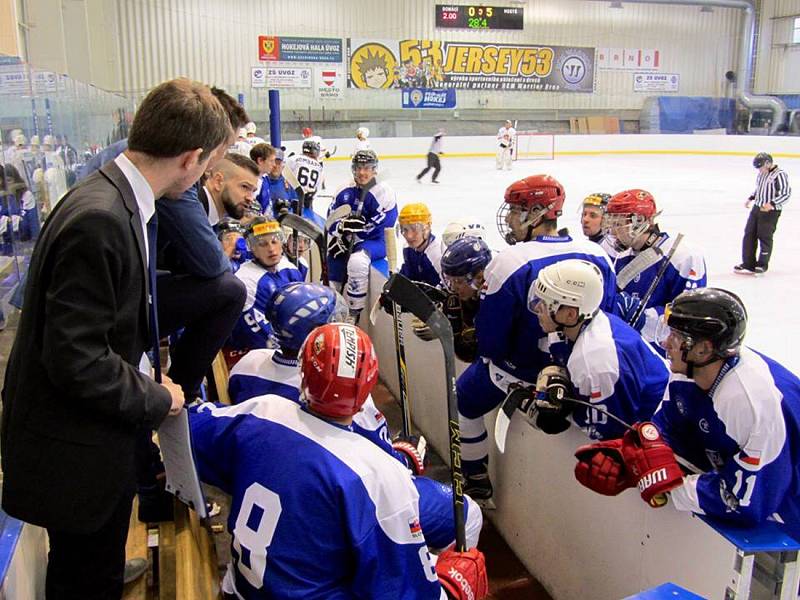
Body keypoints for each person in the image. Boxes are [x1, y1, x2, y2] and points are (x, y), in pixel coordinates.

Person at [1, 78, 227, 599]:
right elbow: (76, 360)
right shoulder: (101, 219)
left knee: (89, 560)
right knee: (84, 578)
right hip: (72, 455)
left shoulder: (112, 196)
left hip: (84, 444)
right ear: (192, 159)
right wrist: (158, 395)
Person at [190, 322, 488, 599]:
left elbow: (190, 426)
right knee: (460, 570)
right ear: (369, 383)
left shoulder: (260, 411)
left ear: (303, 371)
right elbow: (402, 591)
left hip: (239, 590)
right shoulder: (376, 475)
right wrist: (451, 588)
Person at [574, 288, 800, 534]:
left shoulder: (751, 402)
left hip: (788, 510)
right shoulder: (690, 371)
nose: (664, 343)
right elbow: (664, 433)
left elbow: (743, 502)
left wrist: (663, 483)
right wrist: (624, 457)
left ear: (703, 349)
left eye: (675, 336)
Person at [458, 175, 618, 500]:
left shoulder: (510, 261)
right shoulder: (597, 254)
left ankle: (475, 479)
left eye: (517, 211)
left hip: (520, 375)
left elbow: (490, 342)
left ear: (536, 213)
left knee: (462, 400)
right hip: (580, 375)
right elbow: (611, 319)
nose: (511, 218)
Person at [527, 259, 668, 440]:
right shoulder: (573, 327)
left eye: (545, 303)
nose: (538, 308)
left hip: (658, 433)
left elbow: (612, 435)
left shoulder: (597, 361)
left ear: (570, 314)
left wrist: (563, 413)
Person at [603, 189, 706, 342]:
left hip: (666, 351)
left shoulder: (683, 255)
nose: (612, 231)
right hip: (627, 343)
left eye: (618, 224)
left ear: (640, 221)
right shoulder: (618, 254)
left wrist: (644, 317)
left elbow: (691, 314)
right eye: (611, 224)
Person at [327, 149, 397, 322]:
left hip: (376, 241)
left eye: (367, 168)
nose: (362, 172)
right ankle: (331, 312)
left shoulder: (383, 193)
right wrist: (341, 230)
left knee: (358, 262)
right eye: (358, 168)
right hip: (349, 240)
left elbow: (385, 225)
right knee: (332, 258)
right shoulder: (344, 190)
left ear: (375, 170)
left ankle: (353, 315)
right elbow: (330, 221)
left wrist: (354, 235)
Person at [227, 218, 305, 356]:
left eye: (275, 241)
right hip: (248, 351)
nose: (271, 249)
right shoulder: (244, 280)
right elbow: (263, 339)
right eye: (262, 244)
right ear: (252, 248)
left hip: (286, 341)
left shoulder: (290, 269)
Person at [735, 152, 791, 275]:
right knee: (749, 234)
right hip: (757, 208)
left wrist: (772, 204)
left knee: (764, 236)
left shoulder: (779, 175)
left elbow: (786, 194)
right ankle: (748, 263)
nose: (759, 170)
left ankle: (762, 264)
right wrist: (751, 197)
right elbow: (759, 188)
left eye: (761, 167)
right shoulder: (761, 174)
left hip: (771, 211)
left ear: (768, 163)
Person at [398, 202, 444, 288]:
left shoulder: (437, 254)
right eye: (405, 229)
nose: (409, 236)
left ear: (427, 228)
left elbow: (448, 287)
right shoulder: (407, 249)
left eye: (414, 229)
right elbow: (407, 278)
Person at [285, 139, 324, 205]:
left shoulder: (293, 158)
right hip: (307, 200)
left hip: (291, 197)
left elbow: (283, 173)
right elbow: (317, 187)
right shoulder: (319, 167)